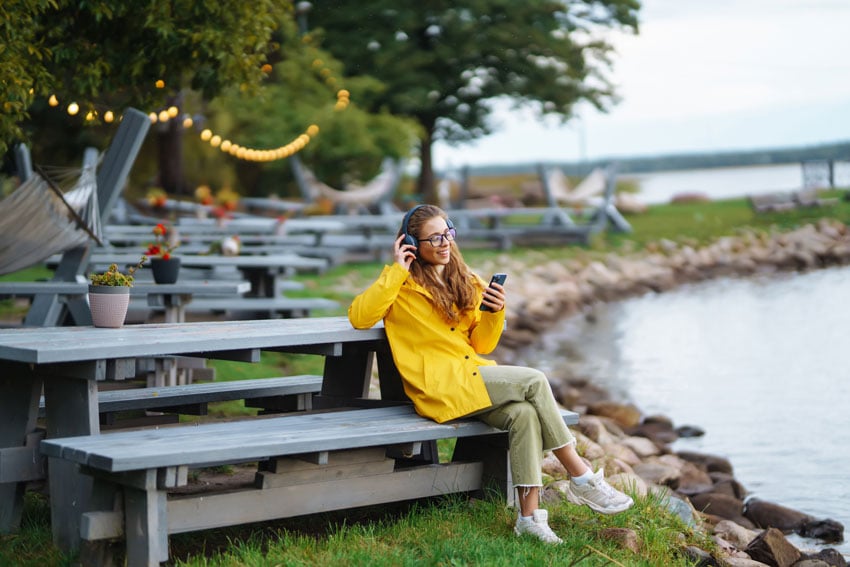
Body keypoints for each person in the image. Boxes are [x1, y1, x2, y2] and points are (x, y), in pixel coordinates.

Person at [348, 204, 633, 545]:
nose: (444, 243)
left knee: (524, 414)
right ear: (411, 243)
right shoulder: (399, 286)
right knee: (534, 380)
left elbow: (482, 343)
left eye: (448, 233)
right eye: (434, 237)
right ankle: (581, 477)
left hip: (470, 376)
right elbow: (359, 317)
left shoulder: (465, 280)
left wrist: (495, 311)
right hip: (437, 387)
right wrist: (396, 270)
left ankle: (529, 518)